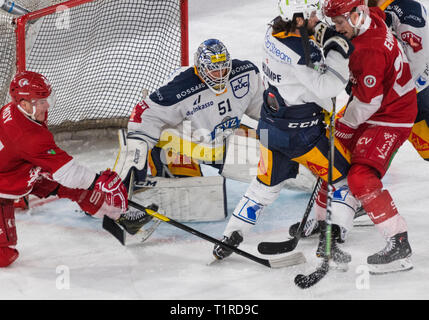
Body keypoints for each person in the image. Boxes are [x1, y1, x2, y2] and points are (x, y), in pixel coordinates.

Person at [212, 0, 360, 265]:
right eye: (313, 14)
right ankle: (335, 234)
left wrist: (317, 38)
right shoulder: (300, 54)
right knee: (344, 180)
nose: (318, 18)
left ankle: (230, 236)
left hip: (271, 130)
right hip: (303, 138)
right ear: (299, 19)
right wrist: (337, 52)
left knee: (263, 188)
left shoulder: (273, 32)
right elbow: (328, 87)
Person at [115, 39, 265, 219]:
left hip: (222, 138)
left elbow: (264, 110)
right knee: (197, 200)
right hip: (180, 147)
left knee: (276, 160)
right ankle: (116, 194)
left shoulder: (245, 73)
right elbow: (143, 113)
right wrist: (137, 149)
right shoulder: (180, 87)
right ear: (200, 67)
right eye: (213, 69)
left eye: (223, 68)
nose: (219, 75)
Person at [323, 0, 418, 273]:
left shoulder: (370, 50)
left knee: (360, 175)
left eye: (340, 22)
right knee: (333, 154)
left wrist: (345, 126)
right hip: (380, 103)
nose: (337, 28)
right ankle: (332, 225)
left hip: (391, 115)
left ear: (356, 15)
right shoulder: (372, 17)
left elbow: (367, 102)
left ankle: (398, 240)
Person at [0, 70, 132, 267]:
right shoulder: (28, 136)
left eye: (47, 98)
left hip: (14, 168)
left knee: (73, 188)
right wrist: (99, 181)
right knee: (4, 256)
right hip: (5, 182)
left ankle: (115, 213)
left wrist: (93, 185)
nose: (46, 105)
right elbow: (67, 172)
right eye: (40, 101)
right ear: (23, 103)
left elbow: (46, 160)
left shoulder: (18, 110)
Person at [369, 0, 429, 161]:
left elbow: (417, 60)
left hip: (418, 93)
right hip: (399, 94)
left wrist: (396, 95)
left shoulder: (406, 9)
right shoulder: (374, 10)